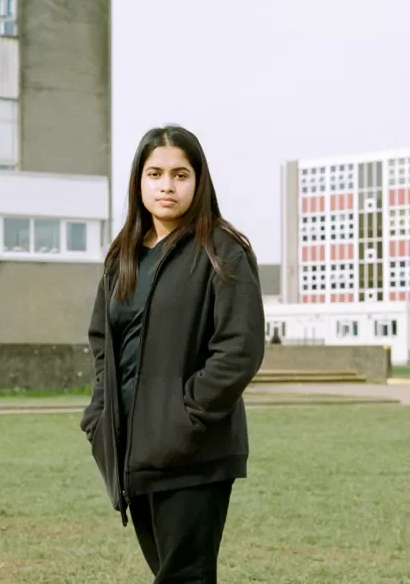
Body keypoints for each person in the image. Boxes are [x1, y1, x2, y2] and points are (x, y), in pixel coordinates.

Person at [80, 125, 265, 583]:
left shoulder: (223, 251)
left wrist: (186, 418)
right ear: (139, 181)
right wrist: (99, 415)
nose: (167, 186)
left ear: (198, 182)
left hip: (192, 454)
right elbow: (103, 342)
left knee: (184, 576)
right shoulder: (122, 256)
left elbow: (239, 349)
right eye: (155, 174)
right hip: (133, 450)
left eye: (180, 175)